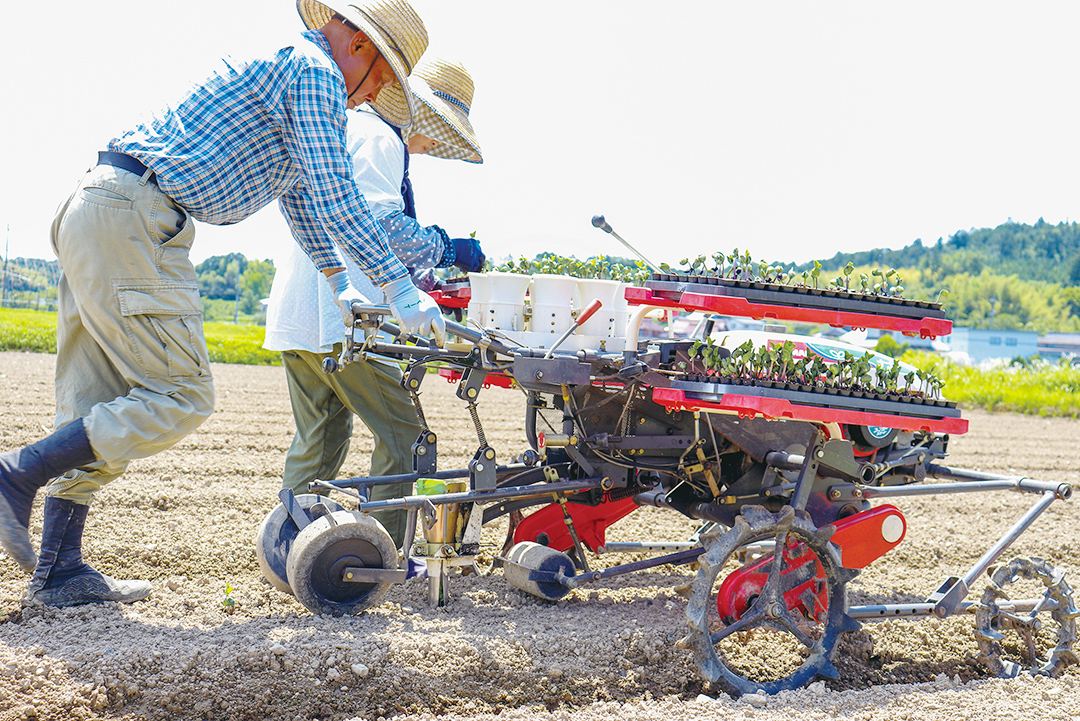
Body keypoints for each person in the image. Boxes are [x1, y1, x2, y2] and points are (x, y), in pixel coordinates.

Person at [0, 0, 440, 607]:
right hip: (139, 217)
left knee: (96, 399)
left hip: (98, 203)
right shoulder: (314, 72)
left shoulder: (286, 72)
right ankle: (15, 474)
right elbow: (339, 194)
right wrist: (398, 286)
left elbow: (306, 201)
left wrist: (341, 276)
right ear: (361, 46)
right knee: (180, 394)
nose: (370, 98)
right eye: (382, 80)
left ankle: (59, 569)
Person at [263, 58, 484, 547]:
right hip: (348, 319)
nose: (430, 147)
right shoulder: (381, 138)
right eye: (435, 134)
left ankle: (290, 547)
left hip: (301, 315)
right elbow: (382, 225)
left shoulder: (346, 129)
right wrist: (449, 248)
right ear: (419, 115)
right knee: (406, 439)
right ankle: (382, 555)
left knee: (318, 440)